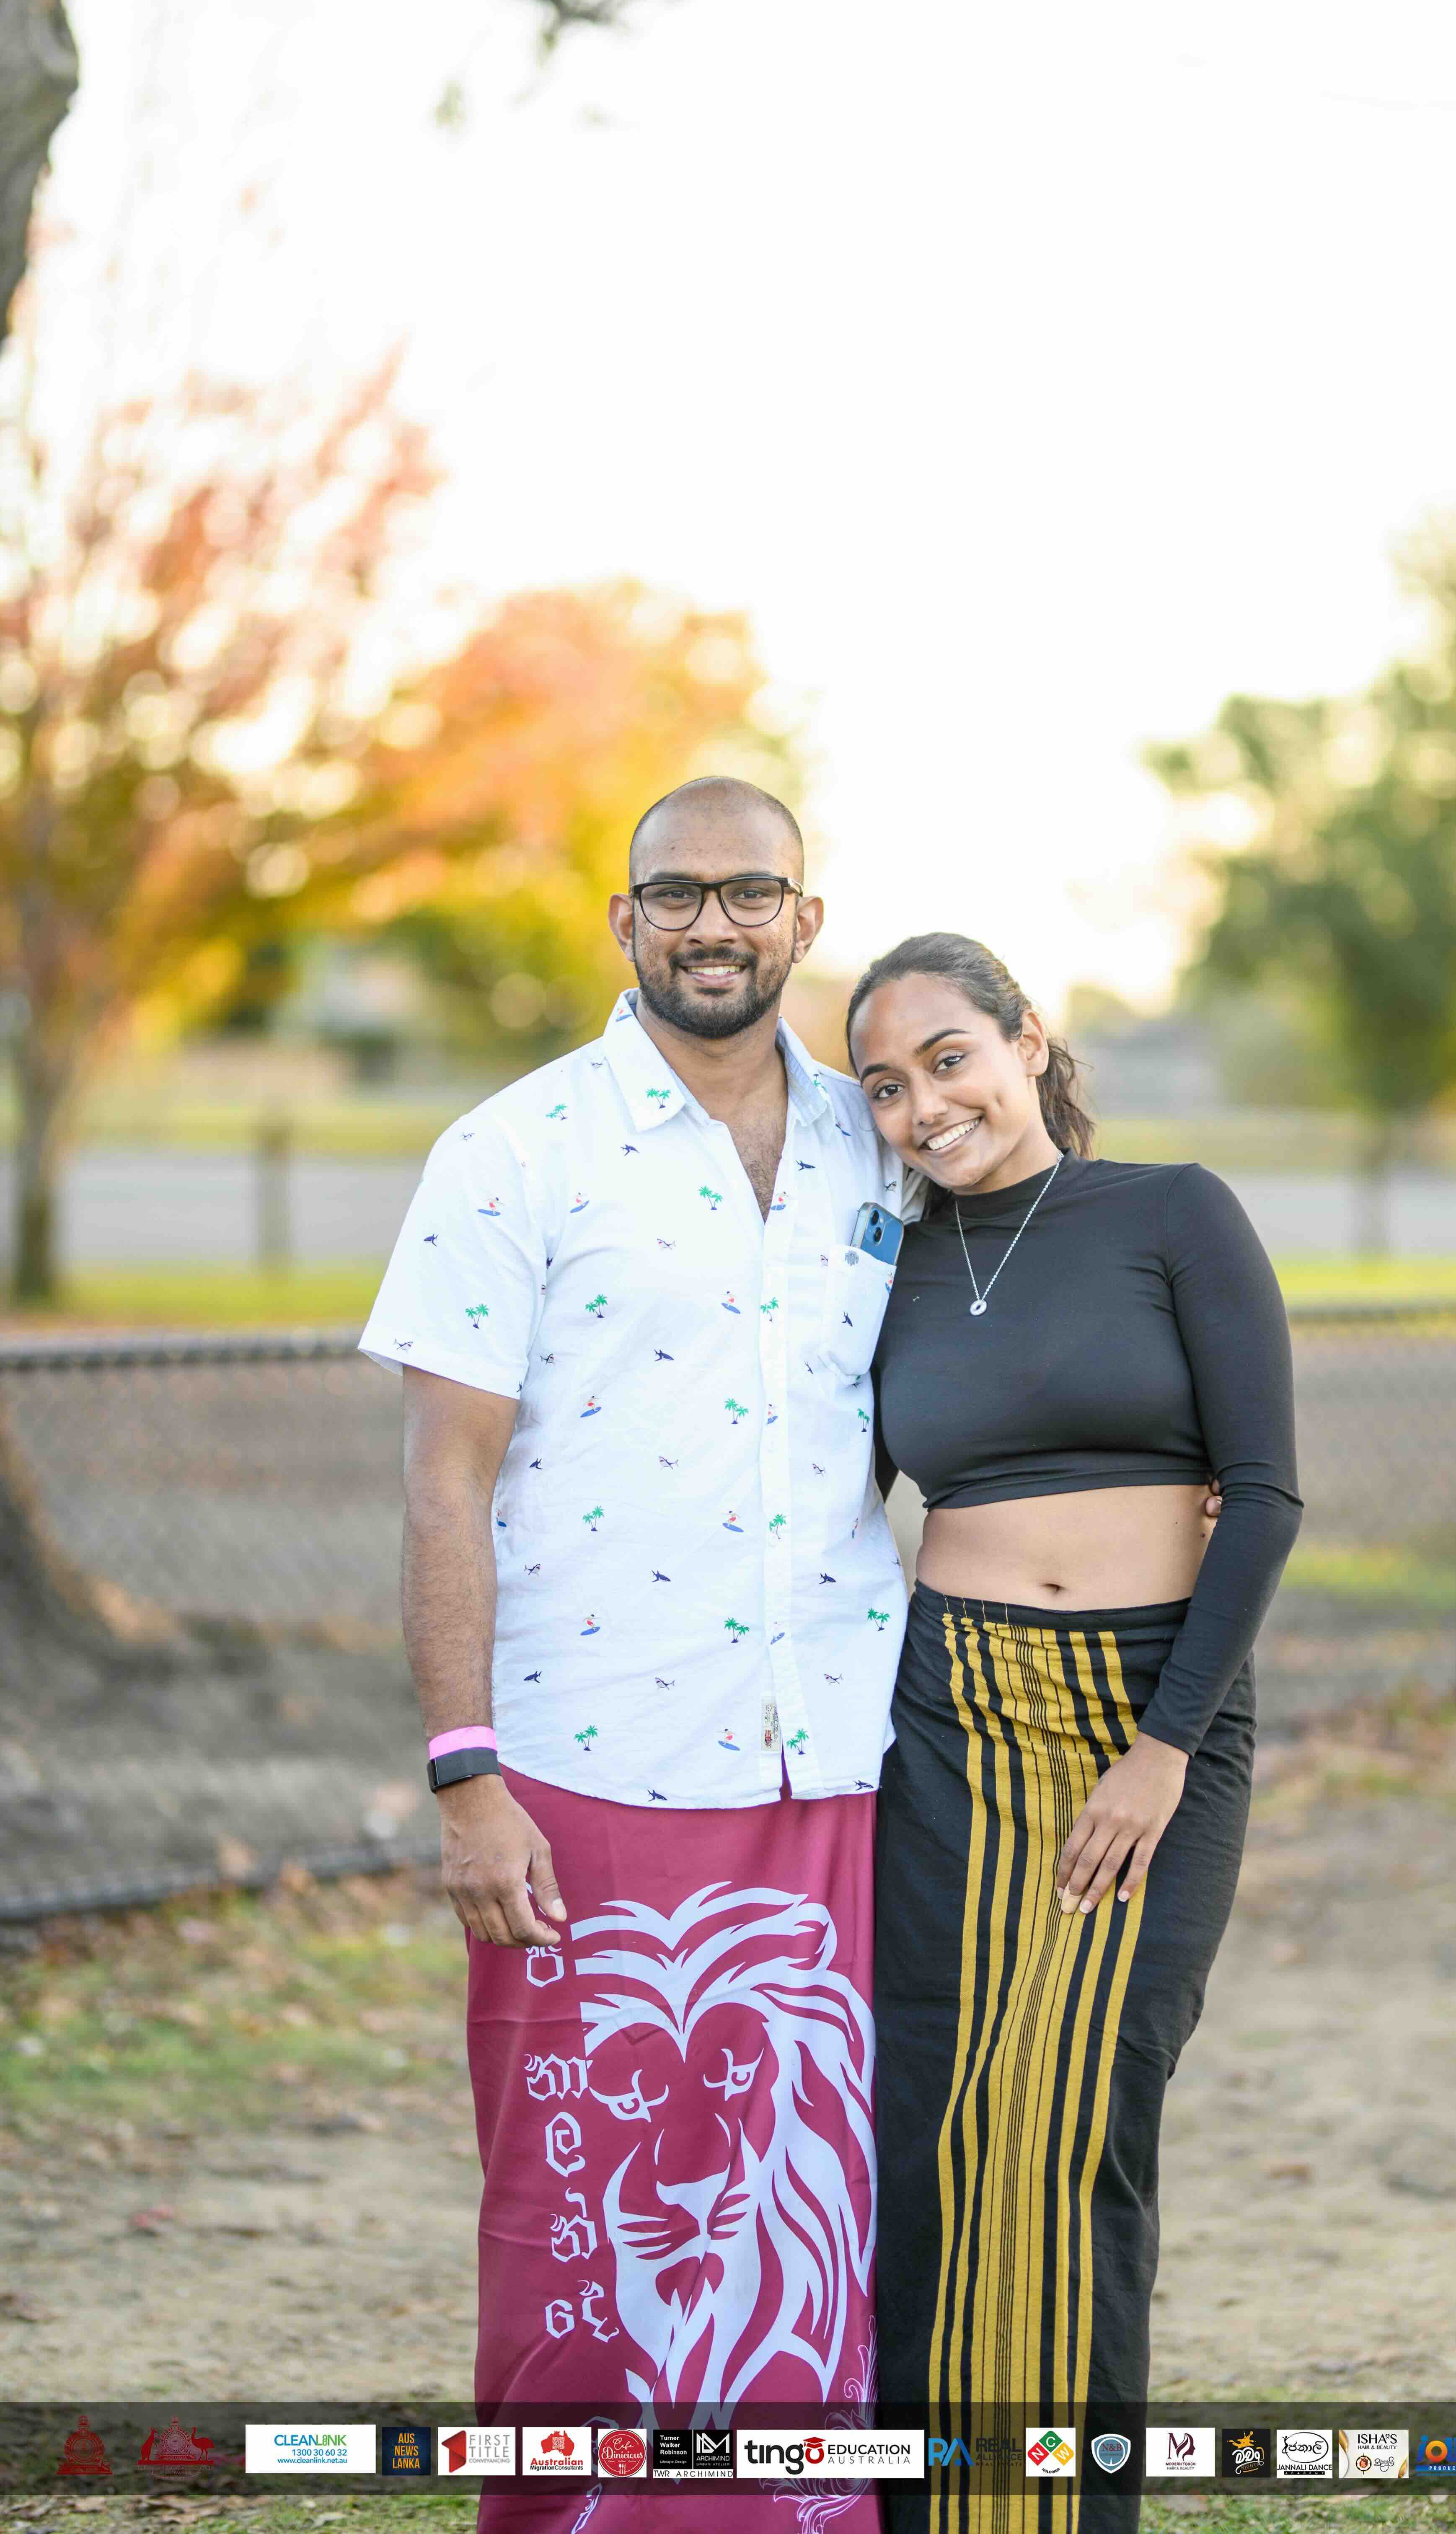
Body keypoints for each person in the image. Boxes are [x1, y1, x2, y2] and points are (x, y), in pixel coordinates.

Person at [358, 778, 911, 2531]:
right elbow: (444, 1483)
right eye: (676, 894)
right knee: (577, 2226)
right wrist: (467, 1775)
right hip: (585, 1770)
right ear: (624, 922)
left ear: (804, 923)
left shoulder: (875, 1146)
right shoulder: (513, 1149)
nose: (713, 926)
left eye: (752, 893)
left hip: (825, 1758)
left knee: (803, 2205)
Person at [848, 933, 1302, 2534]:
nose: (924, 1106)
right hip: (953, 1722)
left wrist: (1167, 1745)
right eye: (887, 1087)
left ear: (1030, 1044)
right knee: (942, 2120)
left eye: (950, 1059)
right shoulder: (882, 1264)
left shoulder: (1173, 1213)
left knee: (1088, 2120)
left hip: (1148, 1720)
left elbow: (1264, 1495)